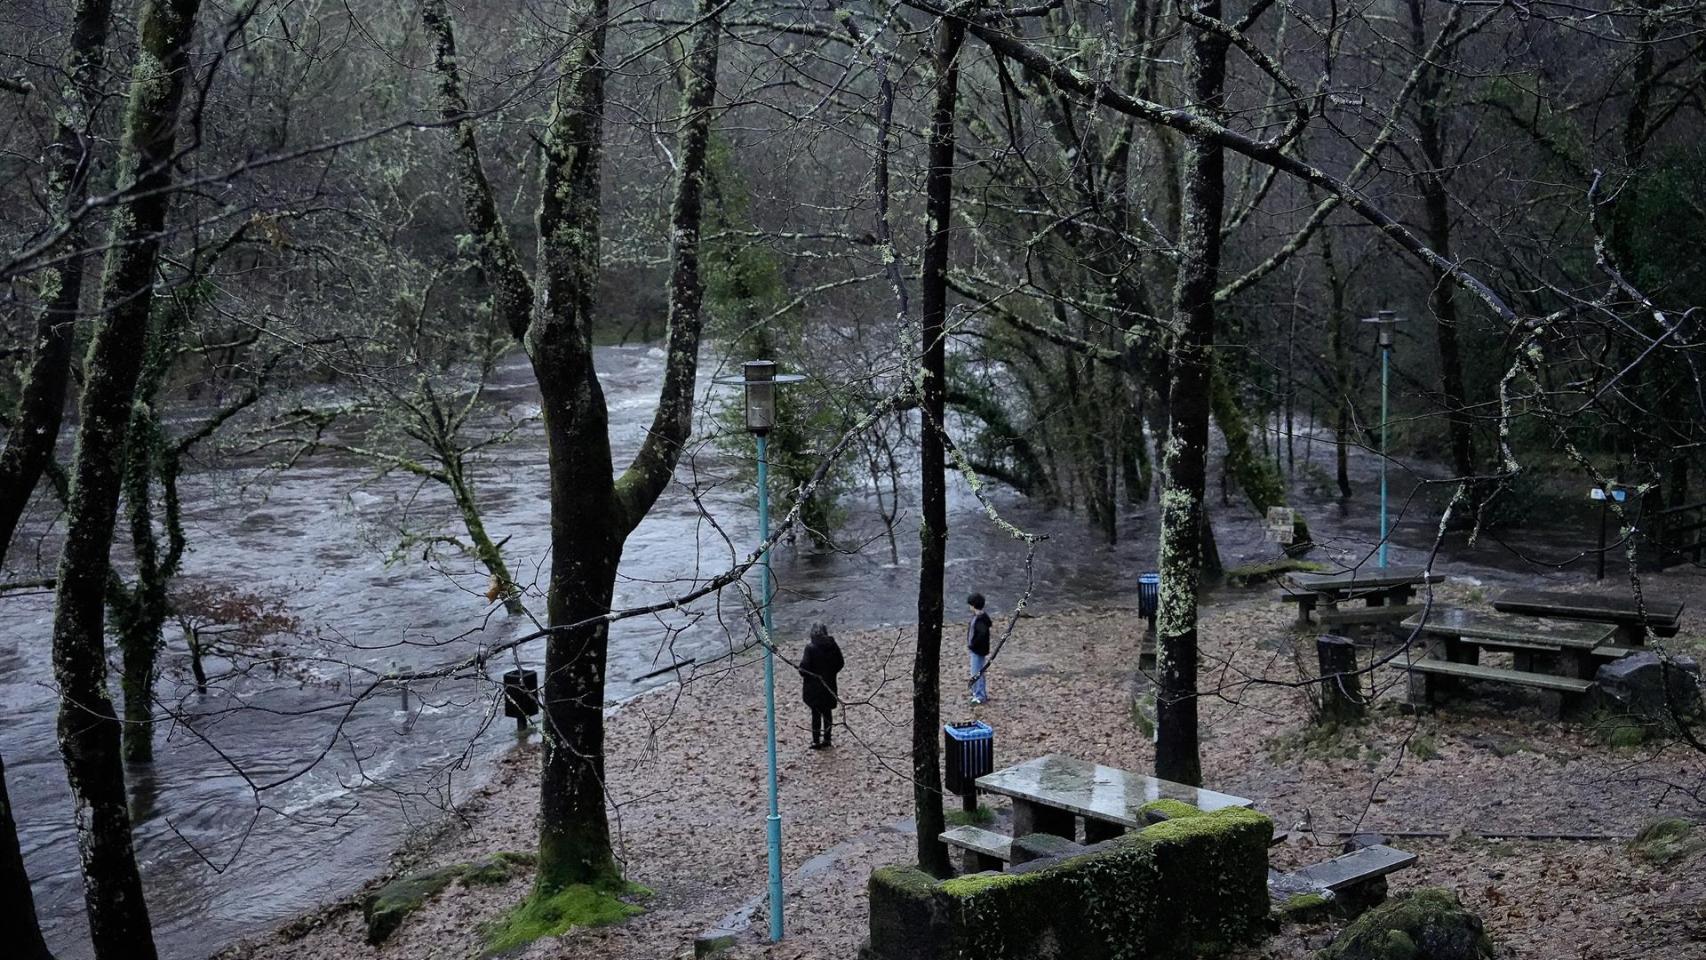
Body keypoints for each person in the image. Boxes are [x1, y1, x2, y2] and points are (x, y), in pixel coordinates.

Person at [799, 623, 845, 749]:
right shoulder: (833, 646)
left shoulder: (810, 648)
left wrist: (806, 674)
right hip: (829, 684)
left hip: (814, 688)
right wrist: (831, 673)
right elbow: (840, 663)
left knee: (816, 714)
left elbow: (804, 668)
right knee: (827, 713)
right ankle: (827, 739)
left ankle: (816, 741)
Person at [966, 593, 992, 705]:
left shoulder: (980, 620)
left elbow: (981, 635)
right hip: (978, 650)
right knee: (978, 672)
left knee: (976, 673)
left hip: (977, 650)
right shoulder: (980, 617)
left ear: (973, 605)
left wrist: (972, 645)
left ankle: (979, 696)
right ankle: (979, 693)